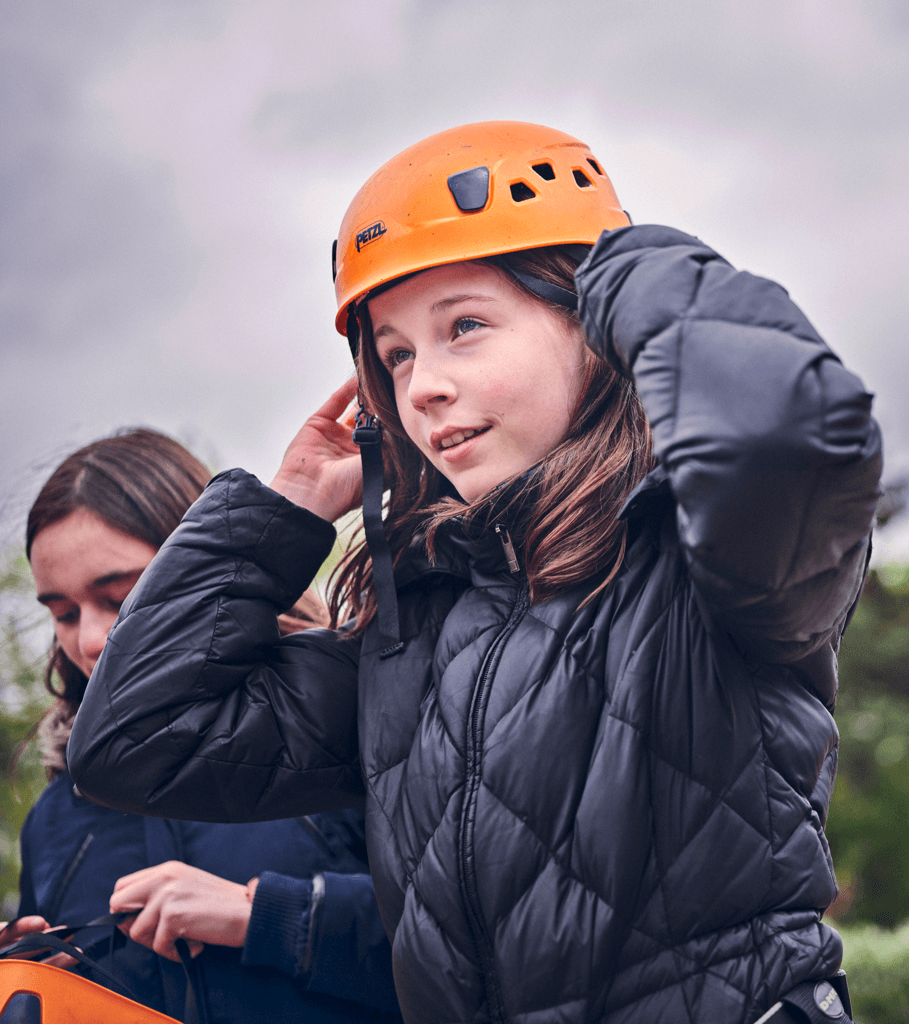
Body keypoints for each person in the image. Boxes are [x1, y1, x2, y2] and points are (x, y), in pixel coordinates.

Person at [67, 123, 882, 1024]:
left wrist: (615, 265)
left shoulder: (712, 556)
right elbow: (134, 741)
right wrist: (287, 506)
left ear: (590, 323)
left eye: (464, 326)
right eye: (395, 355)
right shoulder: (410, 633)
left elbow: (783, 425)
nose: (420, 388)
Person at [3, 429, 400, 1024]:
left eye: (121, 598)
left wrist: (266, 915)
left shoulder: (355, 725)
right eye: (62, 612)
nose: (88, 640)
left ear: (206, 574)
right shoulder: (53, 820)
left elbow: (489, 951)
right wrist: (24, 977)